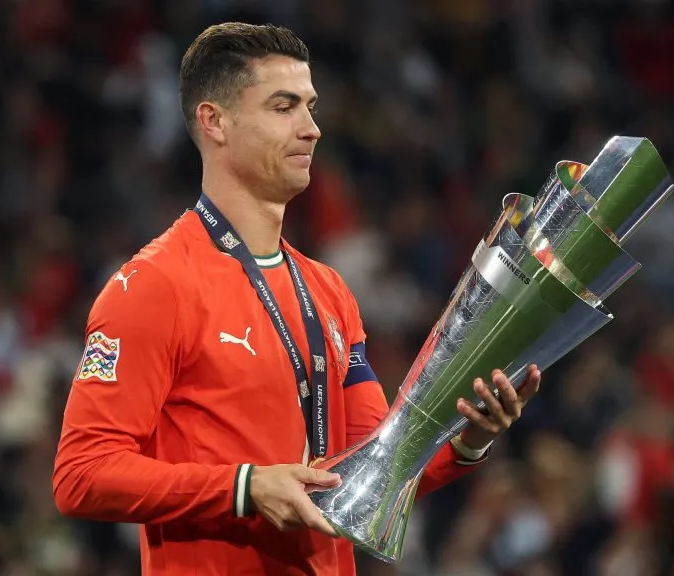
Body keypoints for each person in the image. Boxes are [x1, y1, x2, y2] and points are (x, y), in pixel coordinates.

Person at [52, 22, 542, 576]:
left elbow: (375, 471)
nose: (311, 128)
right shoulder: (155, 285)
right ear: (215, 122)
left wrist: (469, 438)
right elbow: (81, 474)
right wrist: (245, 487)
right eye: (283, 107)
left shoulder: (329, 292)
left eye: (310, 107)